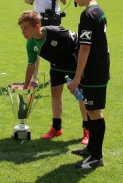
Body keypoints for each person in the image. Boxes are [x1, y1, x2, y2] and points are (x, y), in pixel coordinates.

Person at [18, 10, 88, 142]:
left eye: (25, 28)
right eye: (22, 29)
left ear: (37, 27)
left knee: (81, 95)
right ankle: (56, 128)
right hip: (56, 65)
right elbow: (31, 65)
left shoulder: (55, 32)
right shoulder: (31, 44)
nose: (23, 32)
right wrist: (26, 87)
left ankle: (87, 129)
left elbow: (78, 40)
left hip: (74, 62)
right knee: (55, 93)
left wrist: (79, 72)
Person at [67, 0, 110, 169]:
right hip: (98, 69)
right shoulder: (98, 10)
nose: (73, 0)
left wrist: (77, 77)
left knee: (94, 112)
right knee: (91, 110)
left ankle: (97, 156)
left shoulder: (88, 14)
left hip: (94, 71)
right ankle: (91, 149)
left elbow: (85, 47)